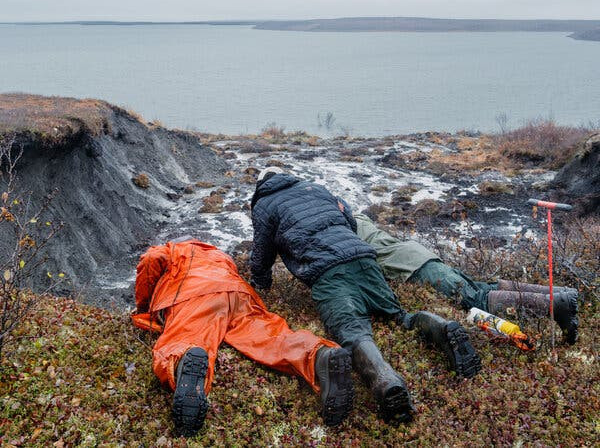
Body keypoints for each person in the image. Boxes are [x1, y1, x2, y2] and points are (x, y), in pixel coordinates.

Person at [249, 167, 481, 424]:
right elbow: (349, 219)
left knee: (353, 333)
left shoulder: (264, 204)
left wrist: (261, 286)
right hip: (364, 258)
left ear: (261, 186)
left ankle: (386, 381)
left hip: (328, 272)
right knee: (398, 316)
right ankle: (440, 326)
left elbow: (261, 254)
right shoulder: (315, 188)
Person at [132, 236, 354, 437]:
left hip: (195, 294)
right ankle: (318, 356)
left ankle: (186, 360)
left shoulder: (174, 249)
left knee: (185, 338)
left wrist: (144, 304)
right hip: (239, 294)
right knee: (270, 337)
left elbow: (152, 257)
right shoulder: (220, 255)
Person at [354, 213, 579, 345]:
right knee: (480, 287)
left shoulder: (344, 234)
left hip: (417, 270)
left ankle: (556, 305)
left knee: (476, 299)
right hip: (422, 256)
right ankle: (562, 293)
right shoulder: (357, 218)